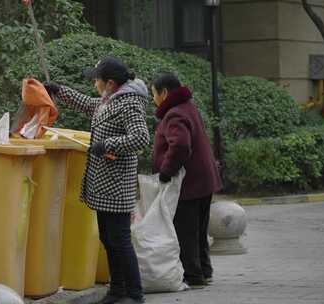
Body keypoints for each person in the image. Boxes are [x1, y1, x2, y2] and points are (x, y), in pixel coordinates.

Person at [44, 57, 149, 304]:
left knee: (120, 240)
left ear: (110, 83)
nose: (94, 83)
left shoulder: (129, 103)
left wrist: (107, 144)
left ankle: (135, 294)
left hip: (116, 183)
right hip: (104, 184)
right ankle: (118, 290)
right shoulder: (109, 100)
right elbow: (89, 104)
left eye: (96, 79)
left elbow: (141, 138)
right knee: (108, 237)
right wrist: (59, 91)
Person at [150, 72, 222, 288]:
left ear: (163, 92)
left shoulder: (174, 114)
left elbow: (180, 145)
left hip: (189, 183)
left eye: (153, 93)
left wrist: (166, 171)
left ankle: (193, 276)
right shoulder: (188, 106)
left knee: (186, 231)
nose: (153, 99)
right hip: (203, 180)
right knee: (198, 231)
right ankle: (205, 272)